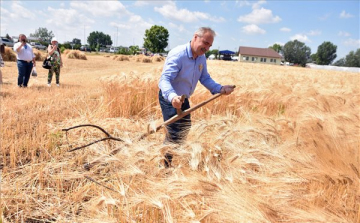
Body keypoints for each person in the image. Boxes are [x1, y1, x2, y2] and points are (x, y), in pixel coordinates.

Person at [158, 27, 235, 167]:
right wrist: (173, 97)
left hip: (183, 98)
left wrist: (220, 88)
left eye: (209, 45)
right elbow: (164, 80)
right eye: (205, 43)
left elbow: (205, 78)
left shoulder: (201, 57)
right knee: (174, 131)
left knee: (185, 128)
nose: (206, 48)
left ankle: (172, 157)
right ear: (195, 37)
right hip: (170, 97)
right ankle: (165, 165)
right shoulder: (178, 54)